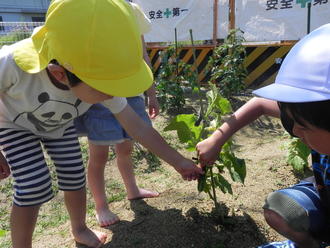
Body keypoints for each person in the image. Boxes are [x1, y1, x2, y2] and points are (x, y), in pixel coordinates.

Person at [0, 0, 203, 247]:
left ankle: (80, 228)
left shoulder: (100, 79)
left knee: (74, 176)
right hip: (14, 124)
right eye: (107, 88)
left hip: (58, 126)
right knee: (33, 184)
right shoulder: (11, 63)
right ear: (59, 74)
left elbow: (138, 127)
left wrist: (179, 162)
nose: (113, 93)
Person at [196, 23, 330, 248]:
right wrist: (217, 138)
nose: (294, 131)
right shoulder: (314, 112)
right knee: (282, 209)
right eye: (292, 120)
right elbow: (260, 103)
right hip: (324, 193)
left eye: (303, 127)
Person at [74, 1, 160, 227]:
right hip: (98, 91)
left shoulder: (132, 9)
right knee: (98, 154)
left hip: (131, 89)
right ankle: (101, 206)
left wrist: (152, 94)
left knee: (126, 147)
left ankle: (133, 190)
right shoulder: (85, 9)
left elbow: (143, 55)